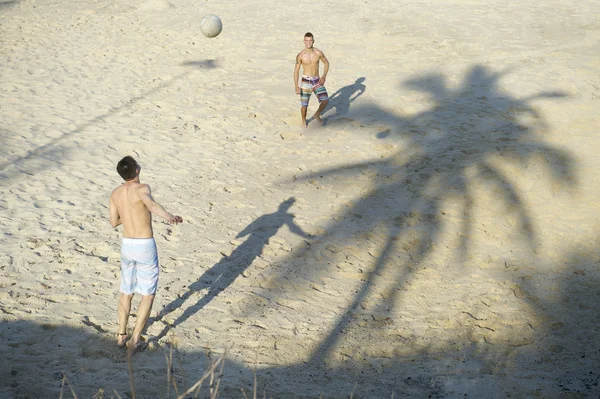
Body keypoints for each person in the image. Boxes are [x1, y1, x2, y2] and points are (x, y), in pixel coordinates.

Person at [109, 155, 182, 355]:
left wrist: (130, 213)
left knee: (126, 292)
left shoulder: (115, 193)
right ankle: (133, 341)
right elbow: (151, 205)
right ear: (137, 171)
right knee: (147, 294)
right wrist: (169, 216)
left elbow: (114, 222)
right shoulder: (143, 189)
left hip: (127, 245)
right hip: (144, 245)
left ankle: (121, 335)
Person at [294, 32, 330, 127]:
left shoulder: (318, 53)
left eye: (310, 41)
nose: (308, 42)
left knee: (325, 100)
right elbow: (296, 71)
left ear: (313, 41)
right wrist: (296, 86)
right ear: (304, 42)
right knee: (304, 105)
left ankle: (317, 114)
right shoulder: (300, 56)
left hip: (317, 80)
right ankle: (303, 120)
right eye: (306, 41)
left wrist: (323, 76)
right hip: (306, 80)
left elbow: (326, 63)